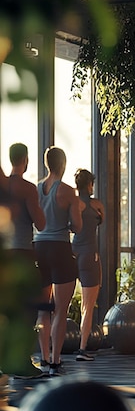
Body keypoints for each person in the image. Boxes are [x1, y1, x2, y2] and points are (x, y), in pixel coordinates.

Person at [34, 146, 84, 376]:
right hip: (60, 249)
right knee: (61, 310)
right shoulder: (67, 192)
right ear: (63, 164)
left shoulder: (35, 189)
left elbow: (35, 221)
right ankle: (55, 362)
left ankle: (44, 358)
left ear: (47, 164)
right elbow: (78, 226)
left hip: (39, 249)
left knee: (43, 310)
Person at [3, 143, 46, 377]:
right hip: (22, 252)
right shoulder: (28, 189)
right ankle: (21, 363)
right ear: (26, 160)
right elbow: (41, 224)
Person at [72, 168, 105, 361]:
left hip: (72, 253)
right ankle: (82, 349)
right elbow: (103, 219)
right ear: (89, 184)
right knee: (88, 306)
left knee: (61, 306)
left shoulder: (72, 203)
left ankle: (51, 352)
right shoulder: (96, 205)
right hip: (89, 256)